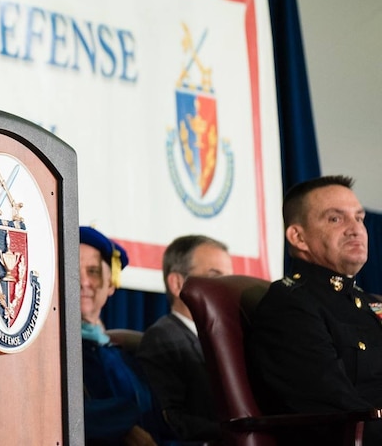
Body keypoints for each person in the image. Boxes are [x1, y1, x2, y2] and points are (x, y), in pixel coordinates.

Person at [248, 174, 382, 445]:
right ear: (298, 237)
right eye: (336, 219)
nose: (355, 229)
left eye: (359, 218)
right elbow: (335, 413)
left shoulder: (367, 302)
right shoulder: (290, 306)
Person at [136, 234, 233, 444]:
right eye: (215, 276)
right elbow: (171, 420)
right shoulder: (163, 338)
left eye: (229, 279)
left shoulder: (228, 339)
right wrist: (234, 432)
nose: (226, 287)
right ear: (178, 283)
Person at [80, 225, 169, 446]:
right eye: (71, 270)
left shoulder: (126, 356)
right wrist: (124, 426)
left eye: (93, 271)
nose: (83, 282)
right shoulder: (50, 355)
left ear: (111, 283)